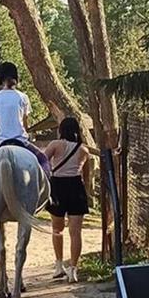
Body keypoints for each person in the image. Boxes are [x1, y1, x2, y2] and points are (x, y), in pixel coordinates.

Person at [42, 116, 92, 283]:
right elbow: (86, 175)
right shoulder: (84, 150)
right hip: (76, 187)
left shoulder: (55, 145)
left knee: (57, 229)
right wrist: (86, 193)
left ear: (61, 130)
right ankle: (73, 269)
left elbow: (43, 162)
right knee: (75, 232)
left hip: (57, 186)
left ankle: (59, 265)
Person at [0, 62, 49, 172]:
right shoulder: (23, 97)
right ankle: (48, 181)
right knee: (43, 160)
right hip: (21, 140)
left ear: (0, 78)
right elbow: (25, 125)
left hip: (1, 141)